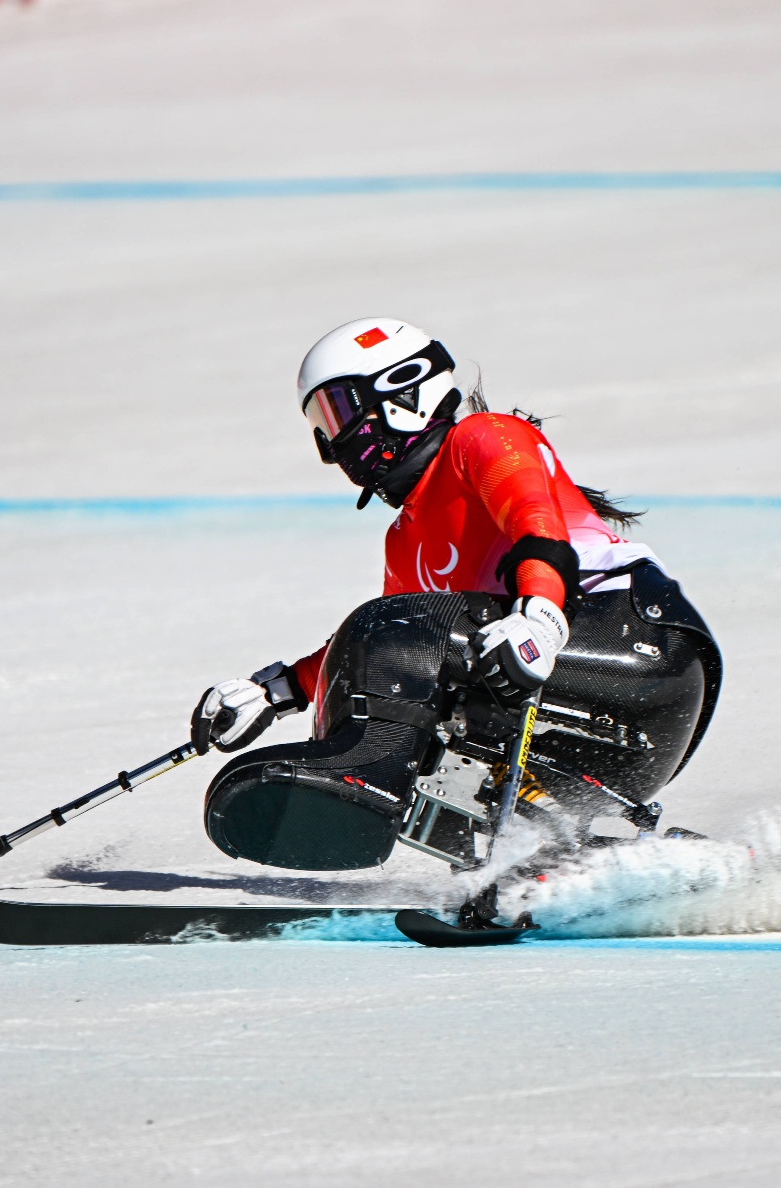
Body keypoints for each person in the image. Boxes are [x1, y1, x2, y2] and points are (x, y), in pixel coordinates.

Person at [189, 319, 720, 876]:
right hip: (589, 724)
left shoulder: (483, 439)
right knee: (379, 674)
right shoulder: (404, 539)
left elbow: (539, 532)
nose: (332, 444)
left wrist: (539, 619)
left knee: (384, 634)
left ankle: (363, 773)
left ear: (404, 391)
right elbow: (386, 660)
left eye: (339, 413)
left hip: (635, 653)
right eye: (321, 425)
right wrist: (274, 690)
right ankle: (570, 864)